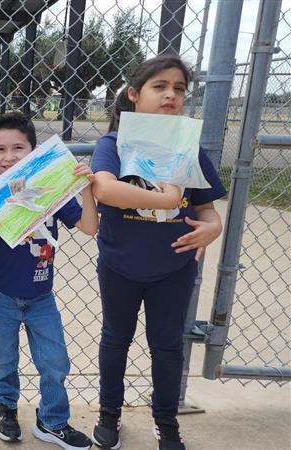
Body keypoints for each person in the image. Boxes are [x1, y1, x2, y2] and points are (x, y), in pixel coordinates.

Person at [90, 54, 227, 450]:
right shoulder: (114, 144)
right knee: (115, 339)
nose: (170, 95)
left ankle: (165, 420)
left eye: (179, 89)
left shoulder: (187, 149)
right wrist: (168, 200)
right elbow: (105, 189)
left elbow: (206, 209)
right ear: (134, 95)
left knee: (167, 345)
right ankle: (109, 414)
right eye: (159, 86)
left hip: (174, 267)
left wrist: (213, 228)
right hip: (119, 265)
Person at [0, 112, 96, 450]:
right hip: (1, 296)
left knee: (55, 360)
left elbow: (90, 227)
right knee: (3, 359)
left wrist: (84, 189)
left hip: (42, 297)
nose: (9, 156)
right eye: (0, 149)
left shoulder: (51, 190)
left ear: (34, 152)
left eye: (19, 148)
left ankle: (52, 421)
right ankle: (7, 409)